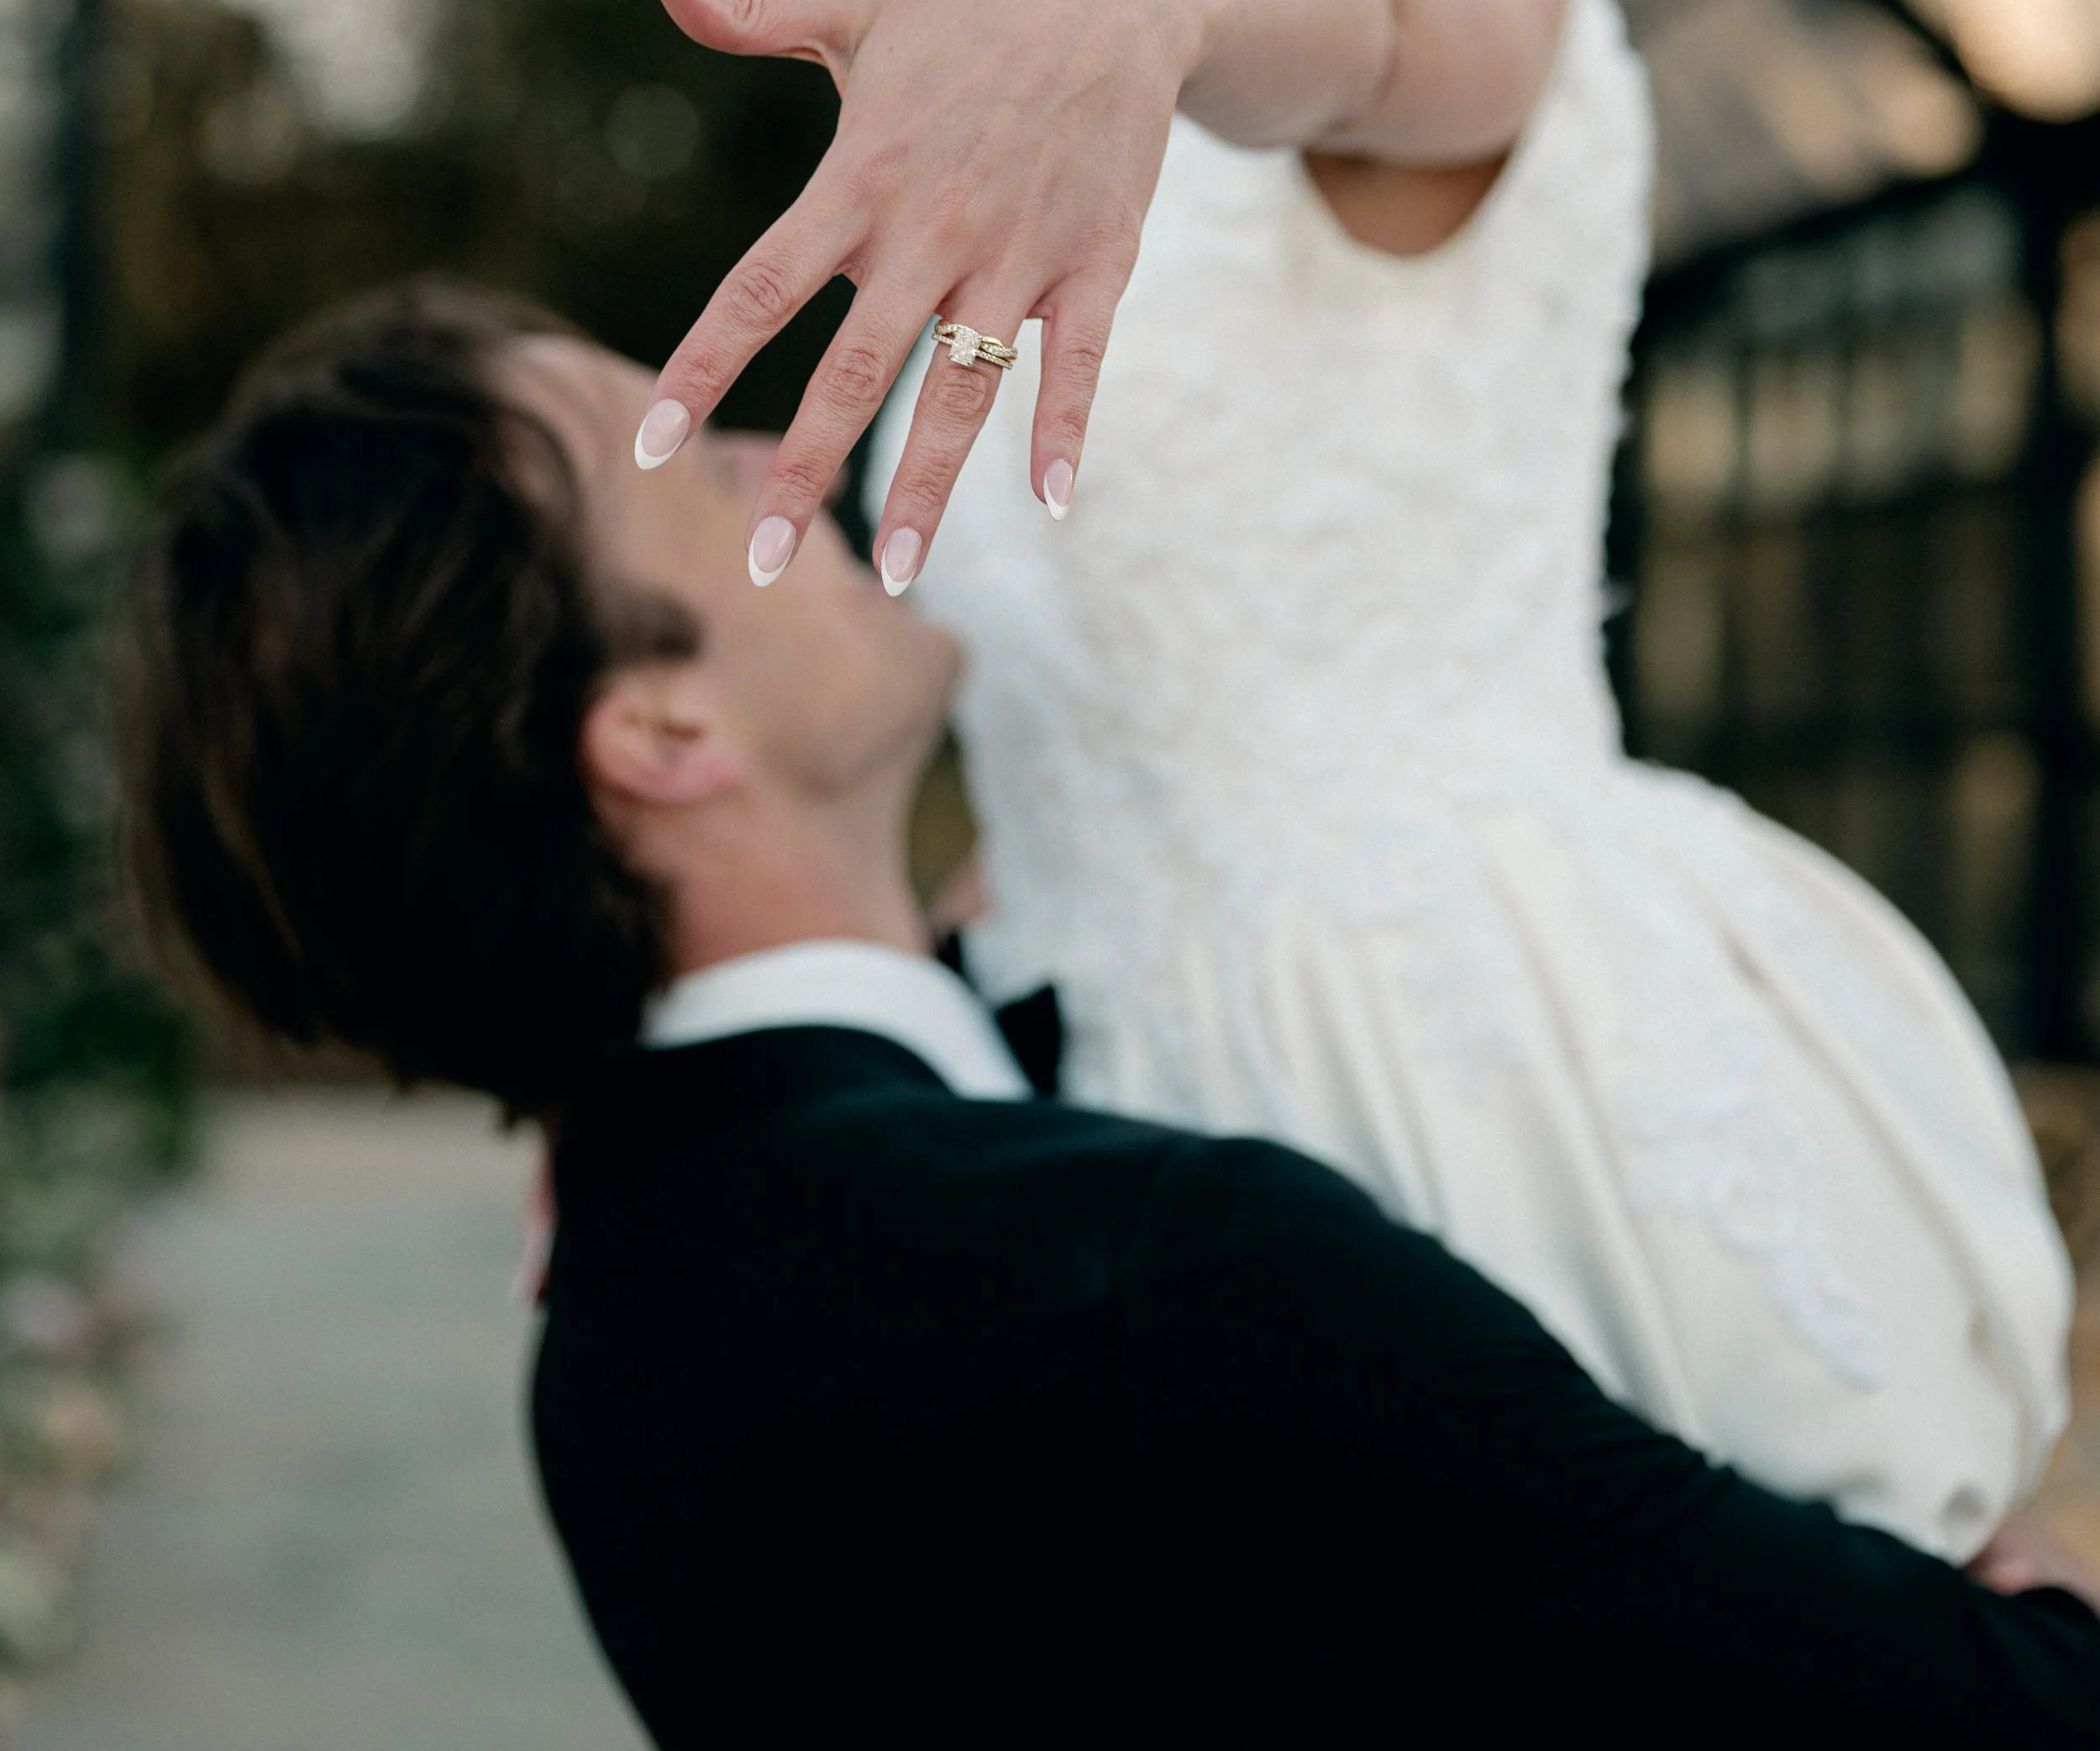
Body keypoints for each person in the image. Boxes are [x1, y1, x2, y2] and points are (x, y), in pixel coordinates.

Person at [626, 0, 2070, 1561]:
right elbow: (1052, 749)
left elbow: (1383, 23)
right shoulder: (1027, 100)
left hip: (1478, 1077)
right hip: (1116, 1136)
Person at [125, 283, 2100, 1744]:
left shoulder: (630, 1303)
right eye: (691, 455)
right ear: (654, 733)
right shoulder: (1143, 1270)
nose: (777, 451)